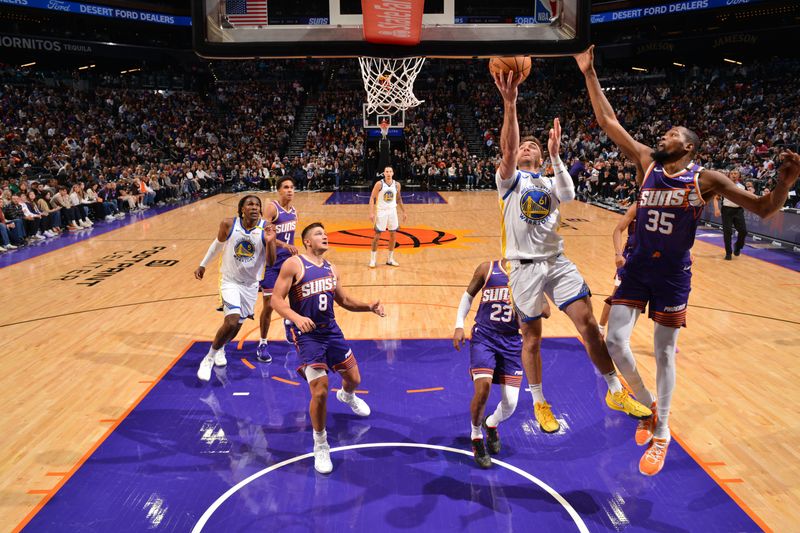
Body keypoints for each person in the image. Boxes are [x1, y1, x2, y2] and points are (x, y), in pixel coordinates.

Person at [576, 45, 800, 475]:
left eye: (672, 134)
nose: (663, 137)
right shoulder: (646, 162)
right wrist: (589, 72)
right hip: (638, 268)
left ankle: (661, 434)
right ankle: (649, 405)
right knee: (615, 341)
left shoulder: (706, 179)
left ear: (690, 147)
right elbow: (609, 121)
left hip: (673, 276)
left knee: (665, 354)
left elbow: (766, 208)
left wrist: (785, 183)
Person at [492, 70, 652, 438]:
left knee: (590, 328)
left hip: (557, 262)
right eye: (524, 146)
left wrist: (556, 155)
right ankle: (539, 402)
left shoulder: (550, 180)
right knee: (532, 338)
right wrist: (510, 103)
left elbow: (568, 196)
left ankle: (615, 391)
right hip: (523, 268)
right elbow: (507, 149)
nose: (527, 148)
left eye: (533, 146)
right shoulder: (509, 180)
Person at [270, 222, 385, 474]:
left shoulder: (332, 268)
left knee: (354, 378)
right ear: (307, 242)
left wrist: (369, 306)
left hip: (330, 330)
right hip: (307, 335)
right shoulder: (294, 264)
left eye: (325, 233)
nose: (325, 236)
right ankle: (320, 443)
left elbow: (342, 300)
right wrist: (296, 318)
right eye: (319, 234)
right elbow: (275, 299)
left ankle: (347, 396)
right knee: (320, 391)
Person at [453, 259, 550, 468]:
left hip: (512, 342)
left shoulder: (528, 275)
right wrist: (459, 325)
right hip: (484, 337)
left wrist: (532, 296)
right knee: (483, 388)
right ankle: (476, 436)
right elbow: (468, 295)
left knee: (511, 404)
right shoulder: (487, 268)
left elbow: (547, 309)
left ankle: (491, 423)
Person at [194, 195, 276, 382]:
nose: (254, 207)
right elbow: (217, 246)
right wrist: (203, 264)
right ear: (242, 209)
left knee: (237, 326)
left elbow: (271, 262)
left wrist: (271, 241)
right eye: (250, 204)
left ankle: (221, 347)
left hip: (250, 285)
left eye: (257, 205)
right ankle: (208, 358)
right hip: (230, 280)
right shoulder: (229, 224)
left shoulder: (267, 229)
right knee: (231, 321)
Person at [256, 177, 299, 363]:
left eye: (292, 187)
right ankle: (262, 343)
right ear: (279, 190)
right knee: (269, 305)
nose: (290, 190)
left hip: (289, 262)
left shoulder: (294, 211)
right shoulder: (272, 208)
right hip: (271, 263)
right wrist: (284, 244)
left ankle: (288, 322)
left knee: (294, 298)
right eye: (286, 187)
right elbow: (262, 231)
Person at [598, 204, 637, 336]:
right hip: (630, 258)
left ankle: (664, 338)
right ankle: (600, 328)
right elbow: (618, 230)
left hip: (651, 260)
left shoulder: (665, 208)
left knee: (655, 299)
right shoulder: (637, 206)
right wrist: (618, 254)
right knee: (615, 296)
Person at [368, 166, 407, 268]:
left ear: (393, 173)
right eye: (386, 172)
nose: (388, 173)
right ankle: (372, 260)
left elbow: (399, 199)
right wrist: (371, 212)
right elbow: (372, 198)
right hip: (381, 212)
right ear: (384, 173)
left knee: (393, 236)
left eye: (390, 171)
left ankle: (390, 259)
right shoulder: (379, 184)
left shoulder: (397, 185)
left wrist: (404, 211)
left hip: (392, 212)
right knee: (377, 236)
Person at [712, 170, 748, 260]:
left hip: (738, 210)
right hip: (727, 210)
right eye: (731, 173)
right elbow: (716, 198)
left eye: (735, 173)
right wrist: (716, 209)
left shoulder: (743, 187)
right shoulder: (724, 186)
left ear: (739, 175)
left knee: (743, 231)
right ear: (729, 175)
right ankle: (728, 253)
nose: (733, 175)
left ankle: (738, 246)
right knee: (727, 232)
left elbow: (747, 199)